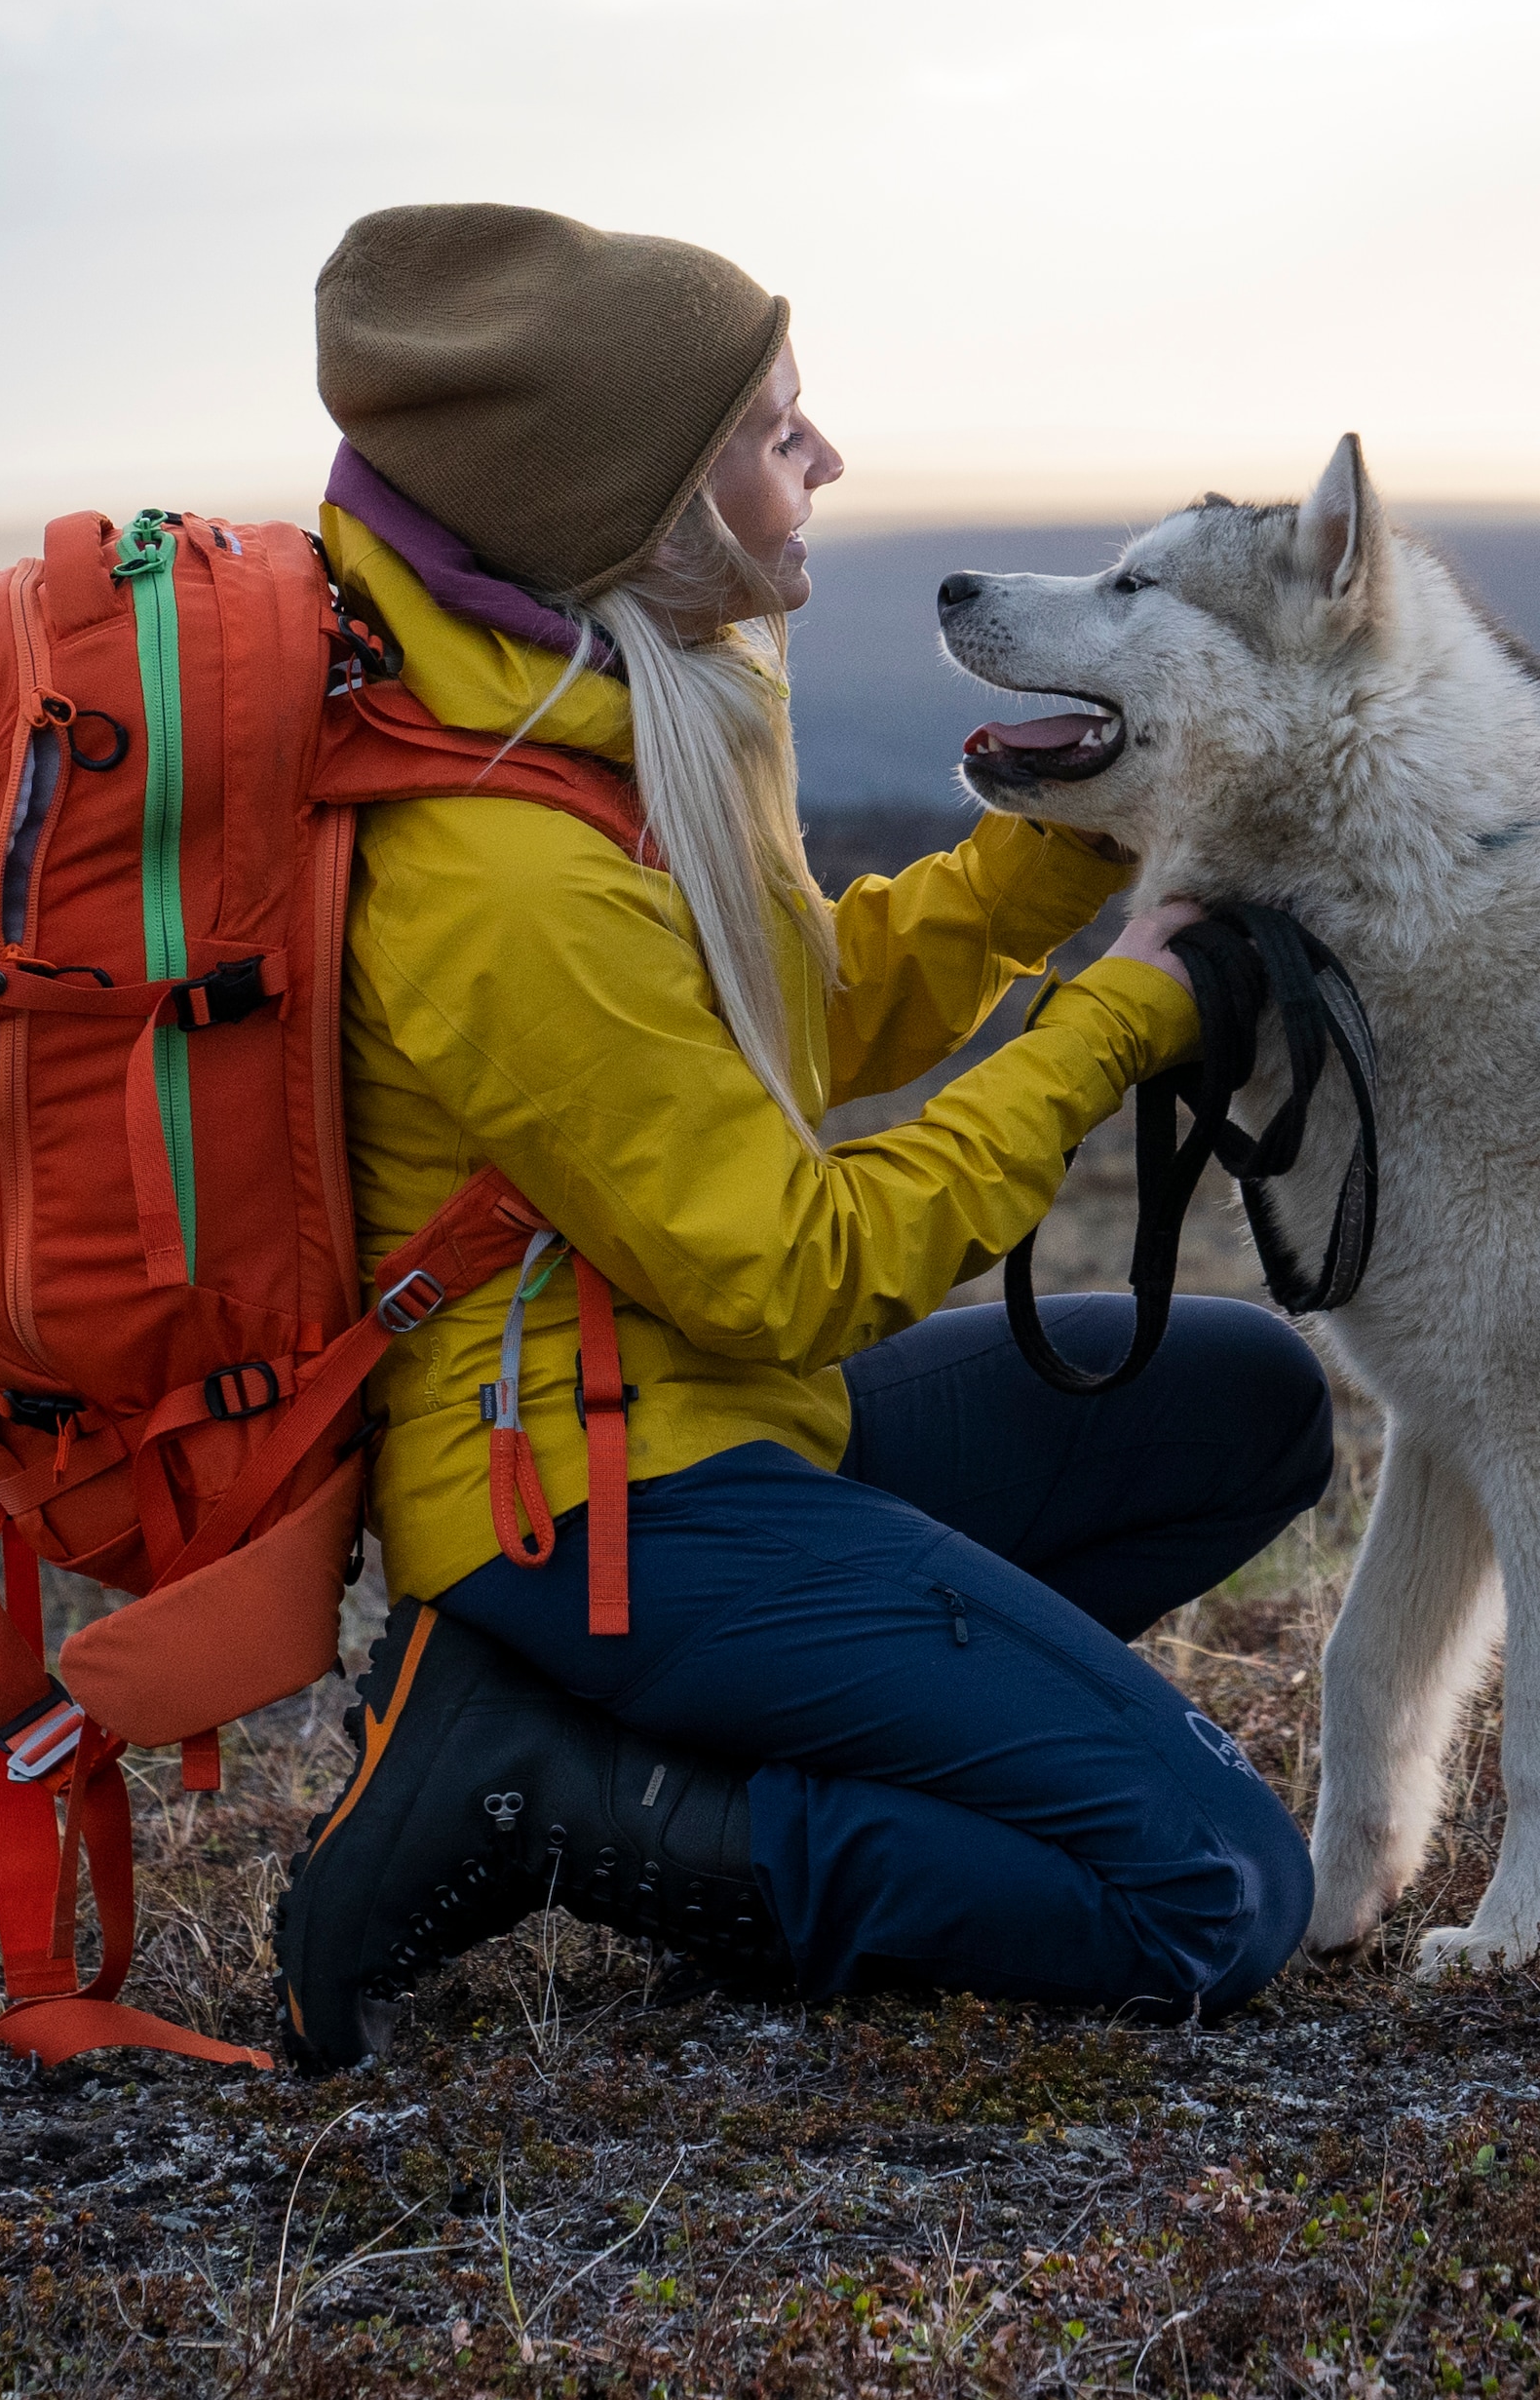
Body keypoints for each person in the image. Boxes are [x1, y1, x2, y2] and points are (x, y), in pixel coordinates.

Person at [269, 201, 1333, 2071]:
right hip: (603, 1504)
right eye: (776, 430)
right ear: (650, 503)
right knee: (1216, 1894)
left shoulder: (614, 706)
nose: (824, 458)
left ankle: (670, 1733)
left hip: (712, 1437)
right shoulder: (502, 879)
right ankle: (583, 1802)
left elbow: (789, 1019)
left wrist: (1058, 846)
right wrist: (1118, 1025)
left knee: (1250, 1406)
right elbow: (792, 1268)